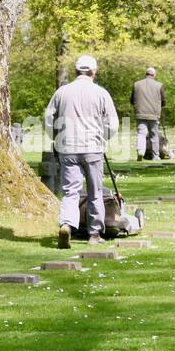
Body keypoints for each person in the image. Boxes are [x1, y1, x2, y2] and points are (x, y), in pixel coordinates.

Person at [44, 54, 118, 249]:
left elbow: (49, 119)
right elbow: (113, 124)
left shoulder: (62, 92)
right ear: (93, 72)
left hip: (67, 147)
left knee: (70, 192)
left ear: (76, 71)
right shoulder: (101, 93)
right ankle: (94, 234)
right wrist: (104, 137)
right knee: (95, 191)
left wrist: (56, 137)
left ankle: (67, 224)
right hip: (93, 148)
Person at [131, 66, 165, 160]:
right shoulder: (159, 85)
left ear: (146, 74)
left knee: (141, 134)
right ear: (154, 75)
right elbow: (163, 101)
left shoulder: (136, 84)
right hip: (154, 115)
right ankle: (155, 156)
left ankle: (141, 152)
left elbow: (132, 100)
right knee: (154, 135)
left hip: (140, 114)